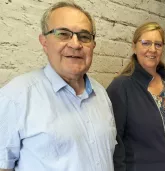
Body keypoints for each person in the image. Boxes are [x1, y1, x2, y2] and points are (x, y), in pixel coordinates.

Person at [0, 1, 116, 171]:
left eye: (84, 36)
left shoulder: (101, 95)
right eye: (63, 34)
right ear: (44, 42)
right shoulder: (15, 97)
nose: (76, 44)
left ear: (93, 46)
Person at [106, 21, 165, 171]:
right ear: (134, 46)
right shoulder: (121, 87)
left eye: (158, 44)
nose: (152, 49)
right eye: (146, 43)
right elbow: (114, 143)